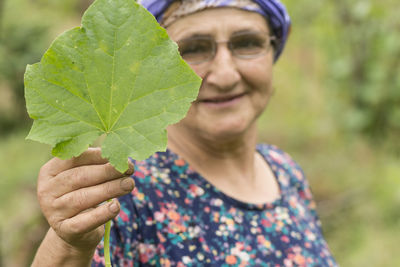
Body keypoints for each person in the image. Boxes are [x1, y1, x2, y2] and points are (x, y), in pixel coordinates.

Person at [32, 0, 337, 266]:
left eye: (246, 43)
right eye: (193, 48)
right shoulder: (124, 191)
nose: (226, 74)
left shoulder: (285, 171)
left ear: (274, 48)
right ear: (148, 69)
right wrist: (69, 245)